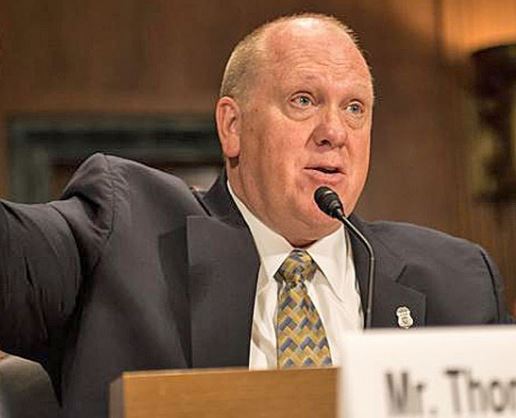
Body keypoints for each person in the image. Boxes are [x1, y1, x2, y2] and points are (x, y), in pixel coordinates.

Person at [0, 13, 512, 418]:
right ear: (233, 126)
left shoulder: (458, 282)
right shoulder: (125, 229)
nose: (335, 132)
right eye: (304, 100)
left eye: (355, 108)